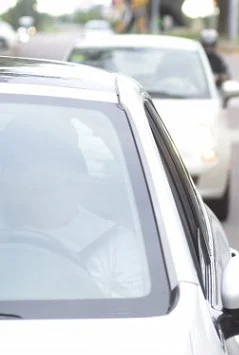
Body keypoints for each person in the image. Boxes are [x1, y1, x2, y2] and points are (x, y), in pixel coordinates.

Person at [0, 115, 149, 298]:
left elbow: (129, 318)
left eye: (50, 183)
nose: (39, 189)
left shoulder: (116, 243)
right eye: (24, 175)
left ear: (78, 184)